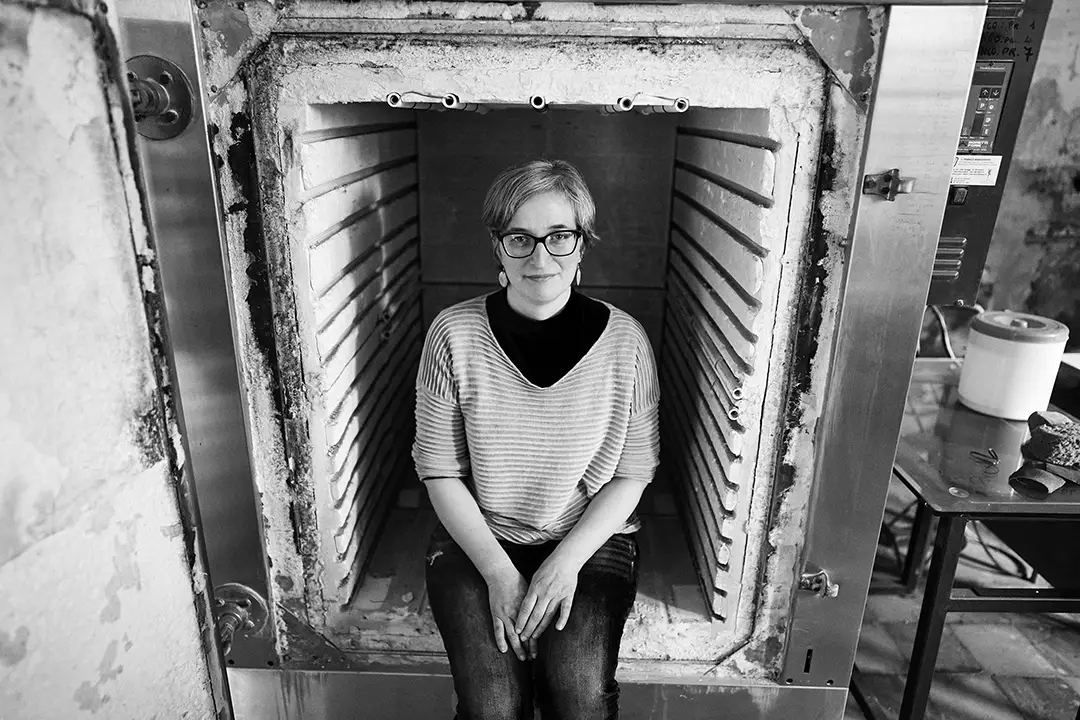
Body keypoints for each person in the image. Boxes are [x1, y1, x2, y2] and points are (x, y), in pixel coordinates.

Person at [412, 159, 660, 720]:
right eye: (520, 238)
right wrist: (500, 572)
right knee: (493, 707)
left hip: (591, 539)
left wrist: (565, 562)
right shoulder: (454, 334)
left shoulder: (625, 341)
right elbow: (440, 472)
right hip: (479, 534)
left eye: (559, 237)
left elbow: (633, 472)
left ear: (582, 245)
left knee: (578, 694)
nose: (540, 258)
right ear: (497, 247)